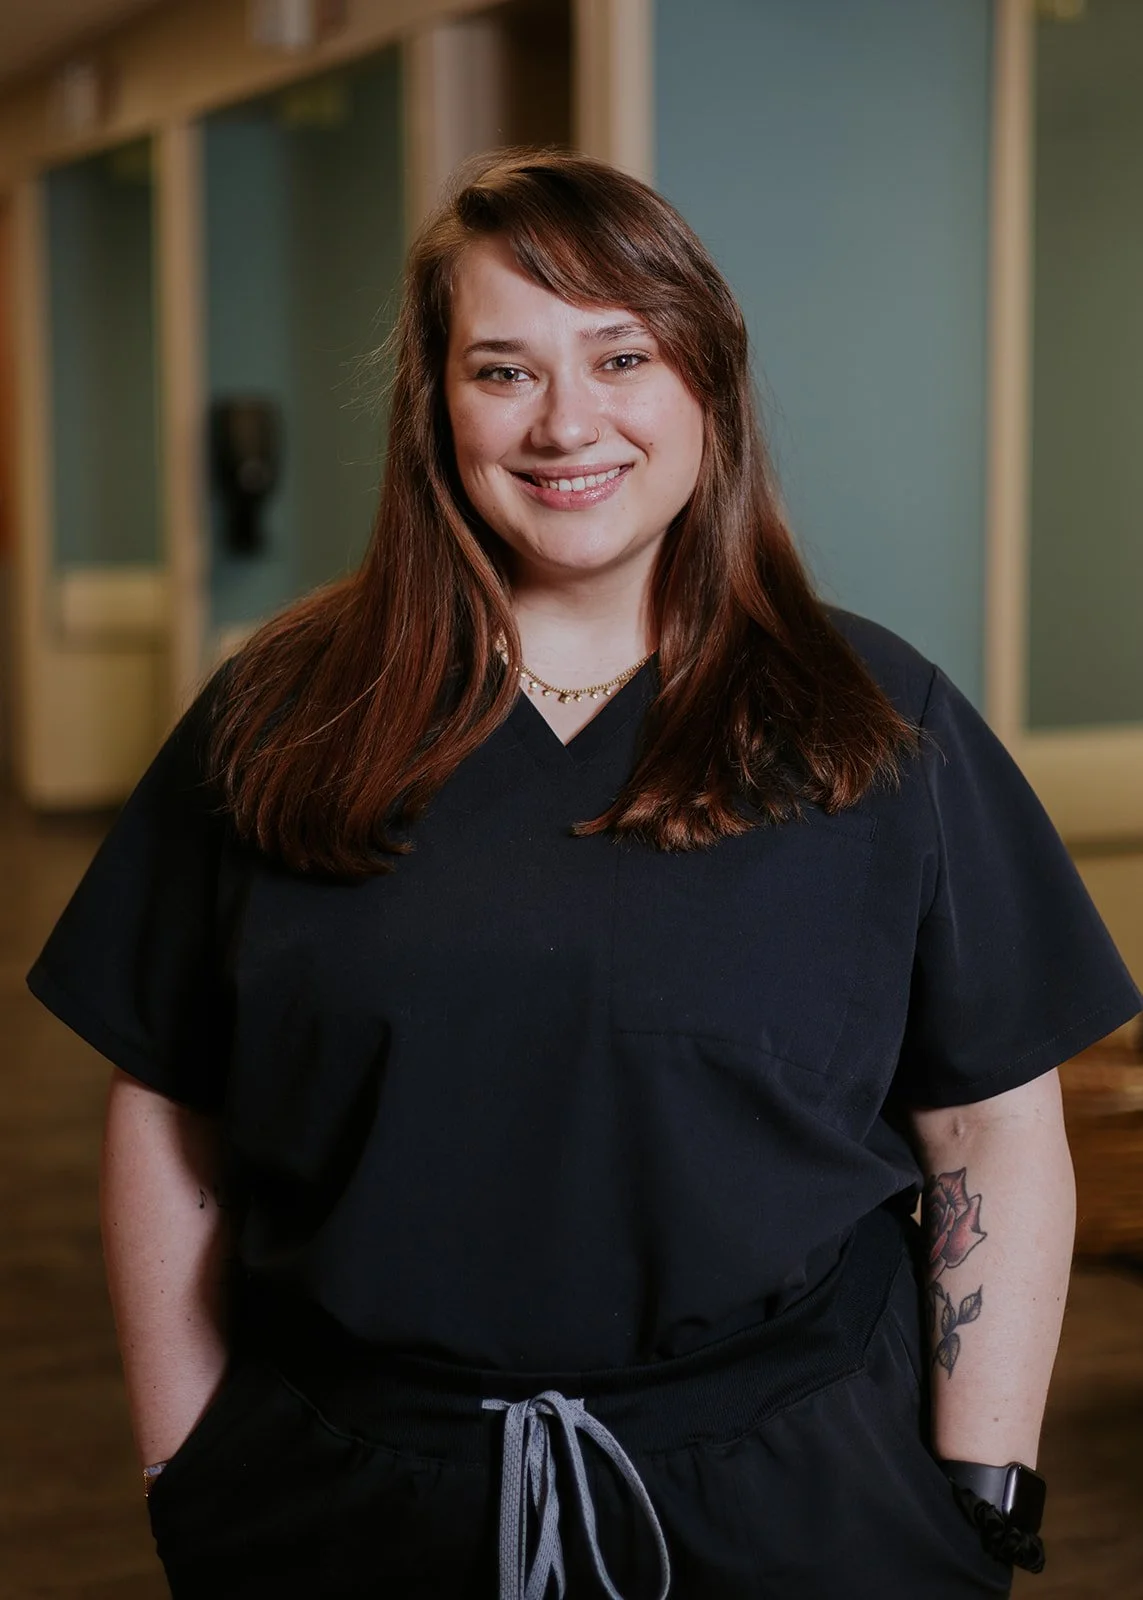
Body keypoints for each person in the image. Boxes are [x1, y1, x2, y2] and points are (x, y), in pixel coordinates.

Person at [28, 149, 1140, 1600]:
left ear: (705, 385)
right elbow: (168, 1109)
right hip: (360, 1501)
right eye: (503, 369)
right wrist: (189, 1469)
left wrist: (978, 1480)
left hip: (800, 1498)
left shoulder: (872, 719)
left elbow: (989, 1122)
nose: (567, 422)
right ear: (436, 404)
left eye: (621, 354)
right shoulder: (283, 715)